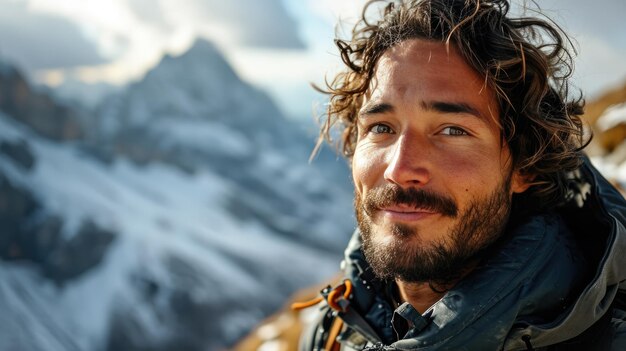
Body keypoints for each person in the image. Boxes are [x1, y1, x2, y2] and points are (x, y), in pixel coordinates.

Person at [297, 0, 626, 350]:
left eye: (452, 130)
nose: (399, 169)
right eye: (381, 127)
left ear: (524, 166)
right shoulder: (333, 326)